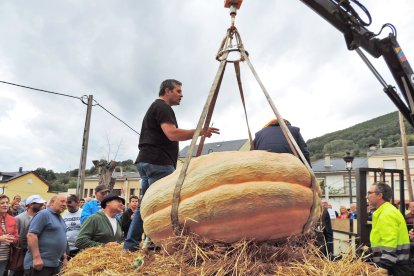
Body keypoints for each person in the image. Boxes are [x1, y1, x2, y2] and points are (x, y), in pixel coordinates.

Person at [124, 79, 220, 252]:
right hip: (158, 162)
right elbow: (172, 134)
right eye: (178, 91)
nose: (181, 95)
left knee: (145, 205)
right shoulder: (163, 107)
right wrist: (199, 131)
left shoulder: (156, 107)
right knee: (161, 206)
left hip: (146, 160)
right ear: (167, 91)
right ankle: (155, 244)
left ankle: (131, 245)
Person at [366, 182, 410, 275]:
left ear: (380, 195)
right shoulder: (385, 211)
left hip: (393, 267)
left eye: (369, 193)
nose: (367, 196)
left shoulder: (387, 213)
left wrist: (384, 266)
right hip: (395, 263)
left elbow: (389, 242)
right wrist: (370, 250)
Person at [24, 195, 68, 276]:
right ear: (52, 202)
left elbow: (62, 238)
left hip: (54, 264)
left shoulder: (60, 218)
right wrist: (36, 258)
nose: (65, 204)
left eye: (66, 202)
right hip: (40, 265)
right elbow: (31, 235)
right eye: (62, 201)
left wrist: (64, 258)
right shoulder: (43, 214)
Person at [12, 195, 46, 276]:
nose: (42, 205)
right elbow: (17, 237)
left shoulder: (42, 217)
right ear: (31, 205)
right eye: (39, 204)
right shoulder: (19, 218)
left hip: (37, 253)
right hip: (22, 253)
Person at [0, 195, 19, 276]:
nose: (5, 205)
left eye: (7, 203)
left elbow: (16, 236)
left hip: (5, 256)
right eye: (2, 203)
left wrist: (13, 240)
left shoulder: (13, 219)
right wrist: (1, 238)